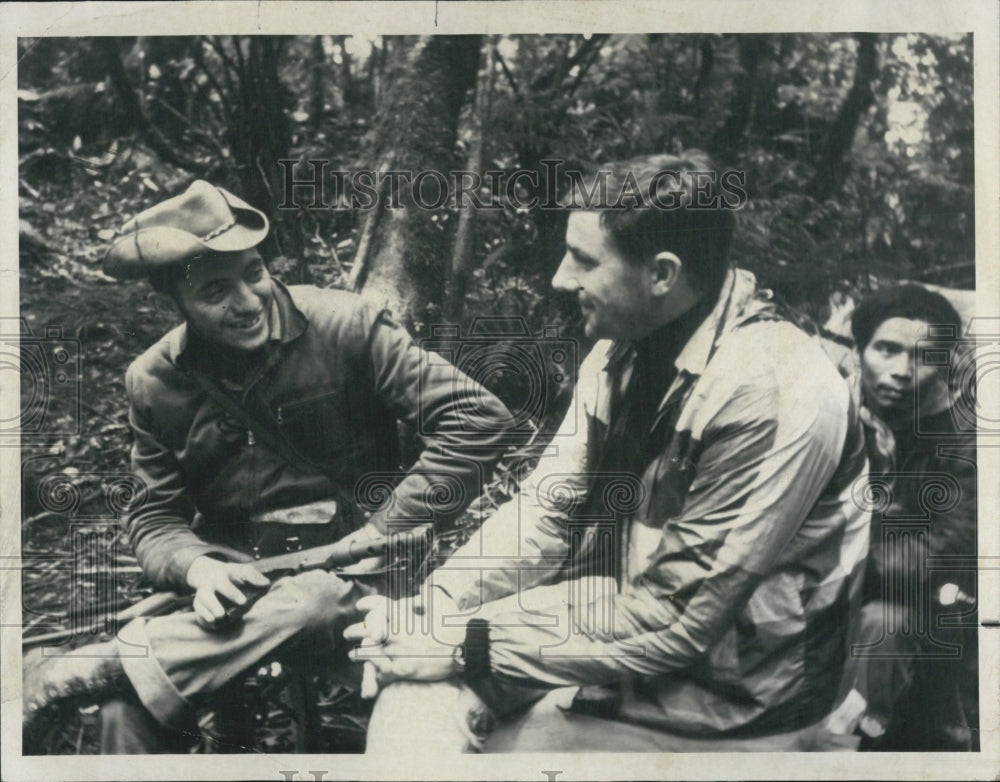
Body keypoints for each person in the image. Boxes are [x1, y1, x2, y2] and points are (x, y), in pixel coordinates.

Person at [345, 151, 872, 752]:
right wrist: (429, 611)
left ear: (662, 274)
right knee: (410, 701)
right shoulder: (621, 348)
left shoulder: (775, 387)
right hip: (627, 627)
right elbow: (547, 510)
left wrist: (462, 642)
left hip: (735, 697)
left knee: (476, 726)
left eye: (585, 260)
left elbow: (678, 620)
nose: (560, 279)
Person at [22, 180, 514, 753]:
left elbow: (477, 418)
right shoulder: (153, 381)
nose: (249, 300)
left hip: (357, 576)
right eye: (215, 291)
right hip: (236, 586)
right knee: (122, 710)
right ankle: (119, 676)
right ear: (174, 301)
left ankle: (112, 660)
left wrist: (386, 529)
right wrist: (200, 569)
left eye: (253, 273)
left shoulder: (346, 325)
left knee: (313, 603)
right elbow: (153, 515)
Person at [841, 285, 978, 750]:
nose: (901, 371)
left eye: (923, 357)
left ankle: (851, 737)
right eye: (886, 349)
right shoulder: (829, 413)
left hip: (917, 601)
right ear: (860, 350)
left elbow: (949, 547)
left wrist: (851, 563)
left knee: (884, 624)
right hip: (819, 580)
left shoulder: (962, 438)